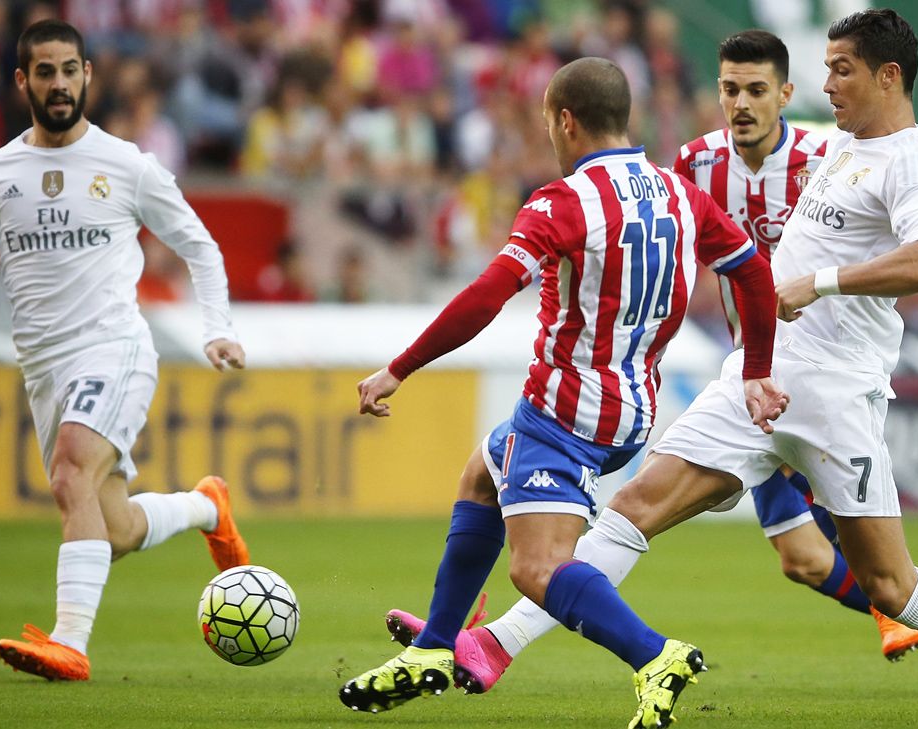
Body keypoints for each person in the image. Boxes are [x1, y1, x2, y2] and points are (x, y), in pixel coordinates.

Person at [388, 10, 918, 718]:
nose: (826, 84)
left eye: (841, 70)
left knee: (893, 586)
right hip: (761, 378)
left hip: (838, 395)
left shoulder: (913, 166)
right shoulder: (842, 148)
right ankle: (494, 644)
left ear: (889, 77)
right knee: (635, 510)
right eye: (825, 69)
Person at [337, 57, 787, 728]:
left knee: (536, 567)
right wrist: (756, 369)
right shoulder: (681, 196)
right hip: (631, 407)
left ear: (565, 121)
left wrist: (401, 366)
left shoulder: (563, 202)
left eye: (549, 121)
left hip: (565, 409)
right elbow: (755, 275)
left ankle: (654, 654)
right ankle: (435, 646)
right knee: (483, 473)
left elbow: (490, 293)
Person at [0, 20, 250, 682]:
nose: (59, 83)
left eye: (69, 69)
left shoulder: (127, 164)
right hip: (43, 368)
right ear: (22, 81)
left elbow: (200, 245)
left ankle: (70, 640)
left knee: (70, 471)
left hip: (114, 347)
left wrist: (216, 326)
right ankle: (208, 506)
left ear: (88, 74)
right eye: (45, 72)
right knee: (109, 525)